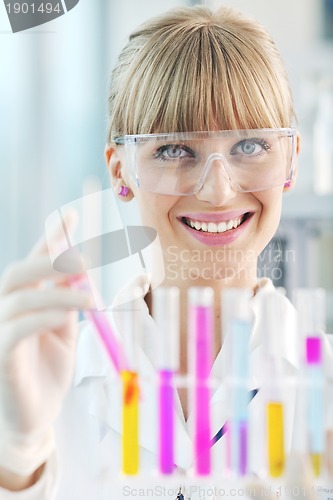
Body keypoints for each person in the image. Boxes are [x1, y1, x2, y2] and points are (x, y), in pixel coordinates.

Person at [0, 5, 331, 500]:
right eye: (175, 150)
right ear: (120, 170)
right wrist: (16, 459)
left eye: (249, 146)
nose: (218, 191)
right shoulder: (49, 377)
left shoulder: (321, 383)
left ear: (291, 160)